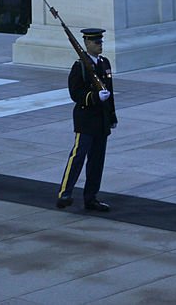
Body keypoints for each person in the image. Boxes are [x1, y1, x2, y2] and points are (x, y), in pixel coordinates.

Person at [56, 27, 117, 212]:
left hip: (102, 119)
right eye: (96, 42)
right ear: (87, 43)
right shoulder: (80, 67)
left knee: (97, 161)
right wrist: (95, 97)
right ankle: (64, 193)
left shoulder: (104, 63)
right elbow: (75, 93)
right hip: (86, 119)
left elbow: (110, 92)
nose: (100, 45)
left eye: (101, 42)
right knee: (78, 156)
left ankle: (91, 197)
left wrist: (112, 115)